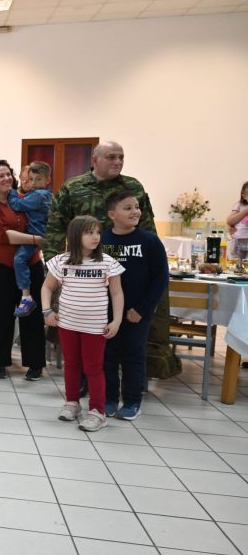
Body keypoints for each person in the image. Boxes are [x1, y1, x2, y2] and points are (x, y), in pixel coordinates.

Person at [44, 141, 180, 380]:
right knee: (87, 333)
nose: (118, 162)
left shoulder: (133, 187)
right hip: (88, 275)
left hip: (129, 270)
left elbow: (147, 230)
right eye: (111, 157)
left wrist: (151, 269)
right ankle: (87, 382)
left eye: (121, 157)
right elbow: (55, 230)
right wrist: (55, 271)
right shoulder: (73, 188)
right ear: (95, 160)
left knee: (130, 334)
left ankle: (133, 384)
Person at [43, 216, 124, 433]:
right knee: (71, 365)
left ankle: (97, 412)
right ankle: (72, 402)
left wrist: (117, 320)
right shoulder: (61, 261)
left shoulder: (107, 262)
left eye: (97, 232)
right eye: (89, 232)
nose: (95, 237)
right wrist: (47, 311)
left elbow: (117, 293)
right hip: (67, 323)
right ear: (75, 235)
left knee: (93, 368)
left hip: (95, 327)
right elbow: (47, 287)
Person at [0, 160, 47, 380]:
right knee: (4, 313)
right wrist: (36, 239)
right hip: (0, 267)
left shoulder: (23, 199)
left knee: (32, 314)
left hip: (30, 264)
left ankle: (35, 364)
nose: (7, 178)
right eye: (1, 176)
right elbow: (3, 236)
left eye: (8, 174)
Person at [102, 191, 168, 420]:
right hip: (106, 311)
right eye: (128, 208)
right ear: (112, 214)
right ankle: (109, 399)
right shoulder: (102, 239)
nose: (135, 212)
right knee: (107, 355)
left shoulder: (150, 241)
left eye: (137, 207)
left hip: (137, 312)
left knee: (133, 355)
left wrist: (142, 309)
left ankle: (132, 401)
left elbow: (161, 279)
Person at [8, 160, 52, 317]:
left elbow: (17, 205)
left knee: (19, 260)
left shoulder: (39, 195)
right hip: (39, 233)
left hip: (36, 235)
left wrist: (11, 191)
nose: (33, 183)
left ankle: (26, 297)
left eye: (38, 179)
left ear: (47, 180)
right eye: (31, 179)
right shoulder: (44, 194)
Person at [227, 181, 248, 262]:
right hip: (239, 242)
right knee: (237, 263)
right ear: (244, 195)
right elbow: (230, 221)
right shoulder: (239, 205)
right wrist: (245, 211)